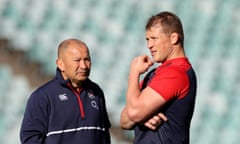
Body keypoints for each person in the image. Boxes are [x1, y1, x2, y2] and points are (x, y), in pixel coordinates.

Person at [120, 11, 197, 144]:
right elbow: (124, 121)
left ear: (173, 38)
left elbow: (133, 112)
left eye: (154, 38)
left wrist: (134, 73)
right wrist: (143, 116)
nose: (149, 45)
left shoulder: (176, 73)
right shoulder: (156, 73)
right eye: (147, 40)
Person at [20, 39, 111, 144]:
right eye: (77, 60)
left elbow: (105, 135)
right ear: (60, 64)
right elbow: (30, 139)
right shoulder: (43, 97)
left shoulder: (96, 92)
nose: (84, 66)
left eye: (87, 59)